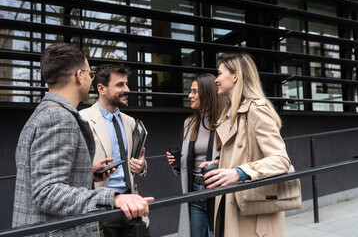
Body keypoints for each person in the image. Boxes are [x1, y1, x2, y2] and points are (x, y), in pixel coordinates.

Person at [12, 43, 153, 237]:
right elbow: (46, 193)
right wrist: (113, 198)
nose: (91, 79)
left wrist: (86, 172)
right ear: (79, 76)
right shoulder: (58, 117)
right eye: (90, 74)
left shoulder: (46, 113)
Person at [200, 53, 291, 237]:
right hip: (234, 206)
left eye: (219, 73)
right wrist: (223, 164)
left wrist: (238, 172)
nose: (216, 80)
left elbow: (282, 160)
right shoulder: (232, 114)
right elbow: (245, 155)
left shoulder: (256, 109)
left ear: (235, 76)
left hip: (253, 213)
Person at [79, 64, 150, 237]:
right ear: (101, 89)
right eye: (120, 85)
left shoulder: (130, 121)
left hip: (131, 203)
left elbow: (137, 162)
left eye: (126, 84)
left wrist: (140, 166)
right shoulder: (82, 119)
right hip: (102, 208)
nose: (127, 89)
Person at [166, 73, 226, 237]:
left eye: (194, 92)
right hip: (195, 191)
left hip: (219, 191)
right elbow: (189, 161)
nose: (189, 96)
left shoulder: (226, 121)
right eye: (190, 91)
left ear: (207, 93)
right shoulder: (189, 123)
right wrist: (177, 163)